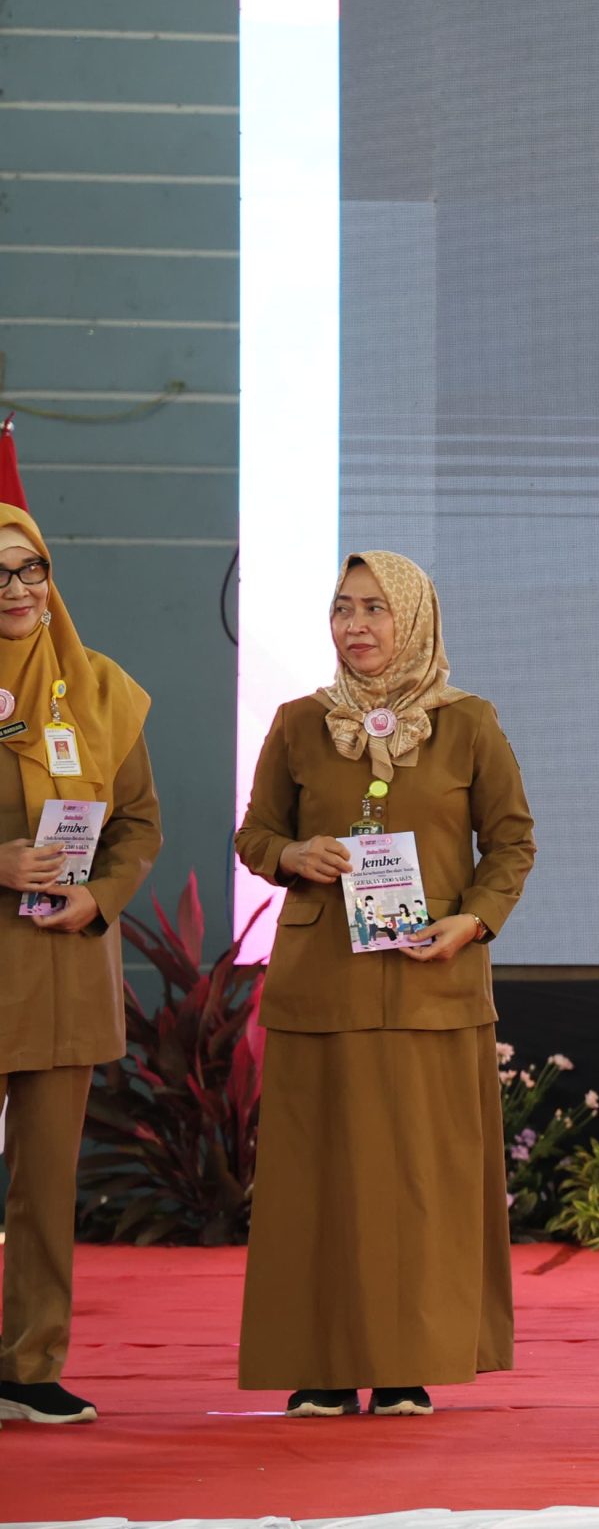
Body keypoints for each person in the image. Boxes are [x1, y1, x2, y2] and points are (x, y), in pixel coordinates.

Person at [234, 552, 537, 1417]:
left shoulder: (468, 723)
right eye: (343, 608)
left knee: (418, 1181)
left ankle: (409, 1363)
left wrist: (471, 921)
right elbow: (256, 836)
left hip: (430, 987)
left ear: (415, 618)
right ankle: (321, 1365)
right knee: (317, 1179)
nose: (355, 625)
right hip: (321, 988)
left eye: (375, 608)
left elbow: (512, 843)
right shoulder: (300, 723)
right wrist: (293, 854)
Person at [0, 511, 161, 1426]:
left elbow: (137, 825)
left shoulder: (99, 689)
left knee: (45, 1186)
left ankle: (29, 1366)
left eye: (33, 569)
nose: (19, 589)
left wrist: (100, 896)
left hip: (63, 967)